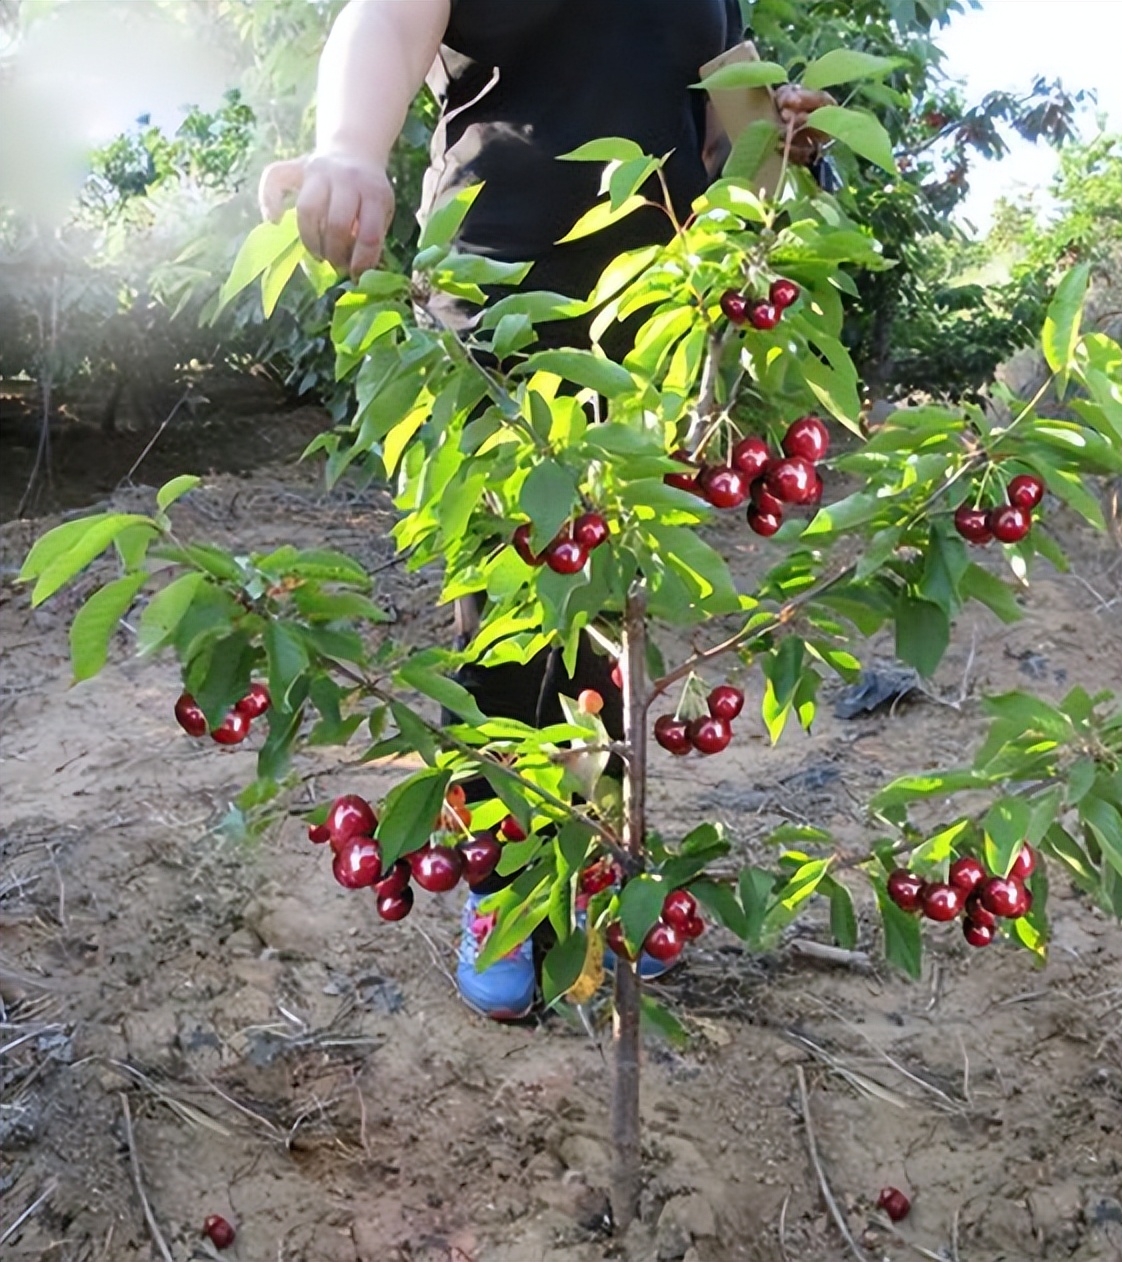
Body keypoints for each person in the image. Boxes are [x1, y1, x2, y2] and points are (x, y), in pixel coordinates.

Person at [260, 0, 831, 1020]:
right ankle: (502, 887)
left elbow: (721, 117)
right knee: (509, 616)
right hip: (497, 292)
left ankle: (604, 871)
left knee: (613, 617)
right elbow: (386, 20)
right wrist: (347, 146)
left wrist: (777, 153)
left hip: (661, 322)